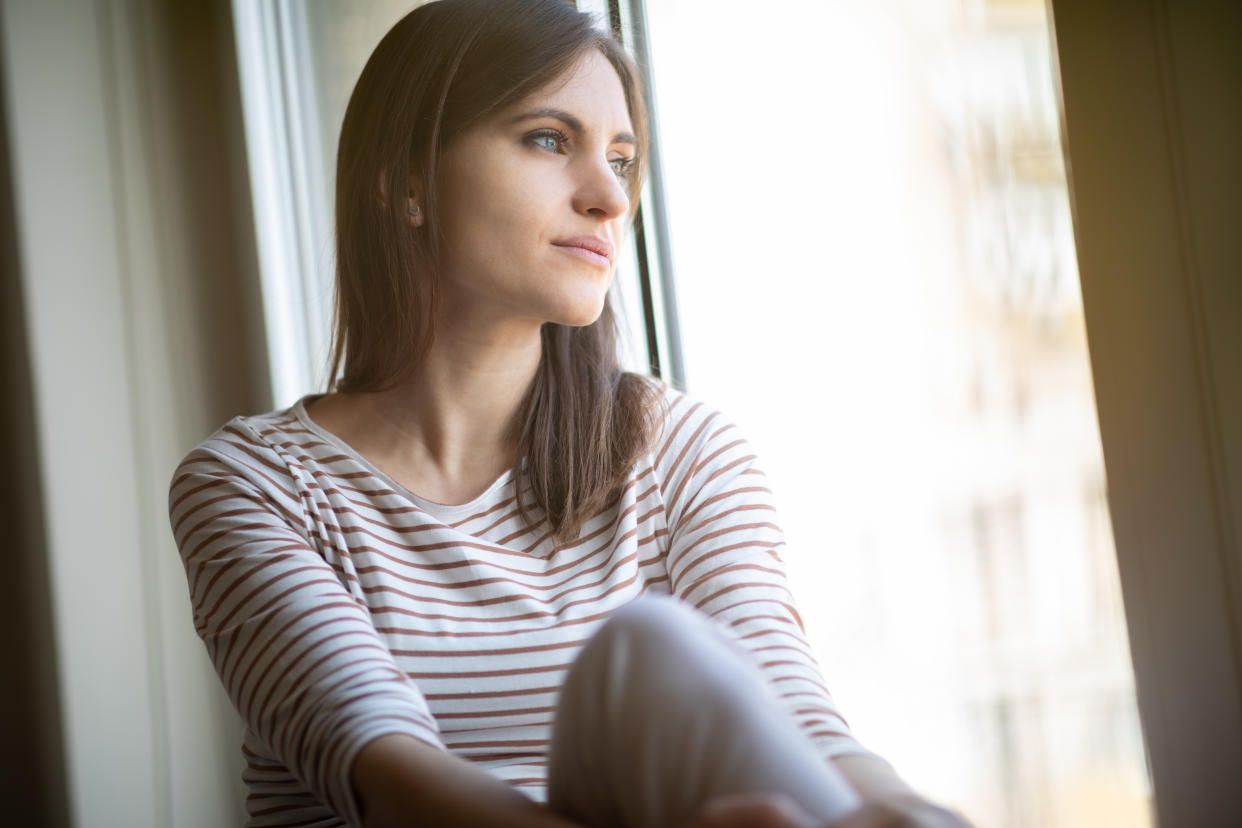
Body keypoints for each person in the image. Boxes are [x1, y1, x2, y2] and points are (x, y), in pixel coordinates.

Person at [168, 1, 970, 826]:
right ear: (404, 181)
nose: (608, 199)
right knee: (644, 648)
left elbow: (795, 717)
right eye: (549, 140)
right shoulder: (253, 485)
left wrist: (911, 813)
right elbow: (393, 778)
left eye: (621, 161)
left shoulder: (681, 452)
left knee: (652, 658)